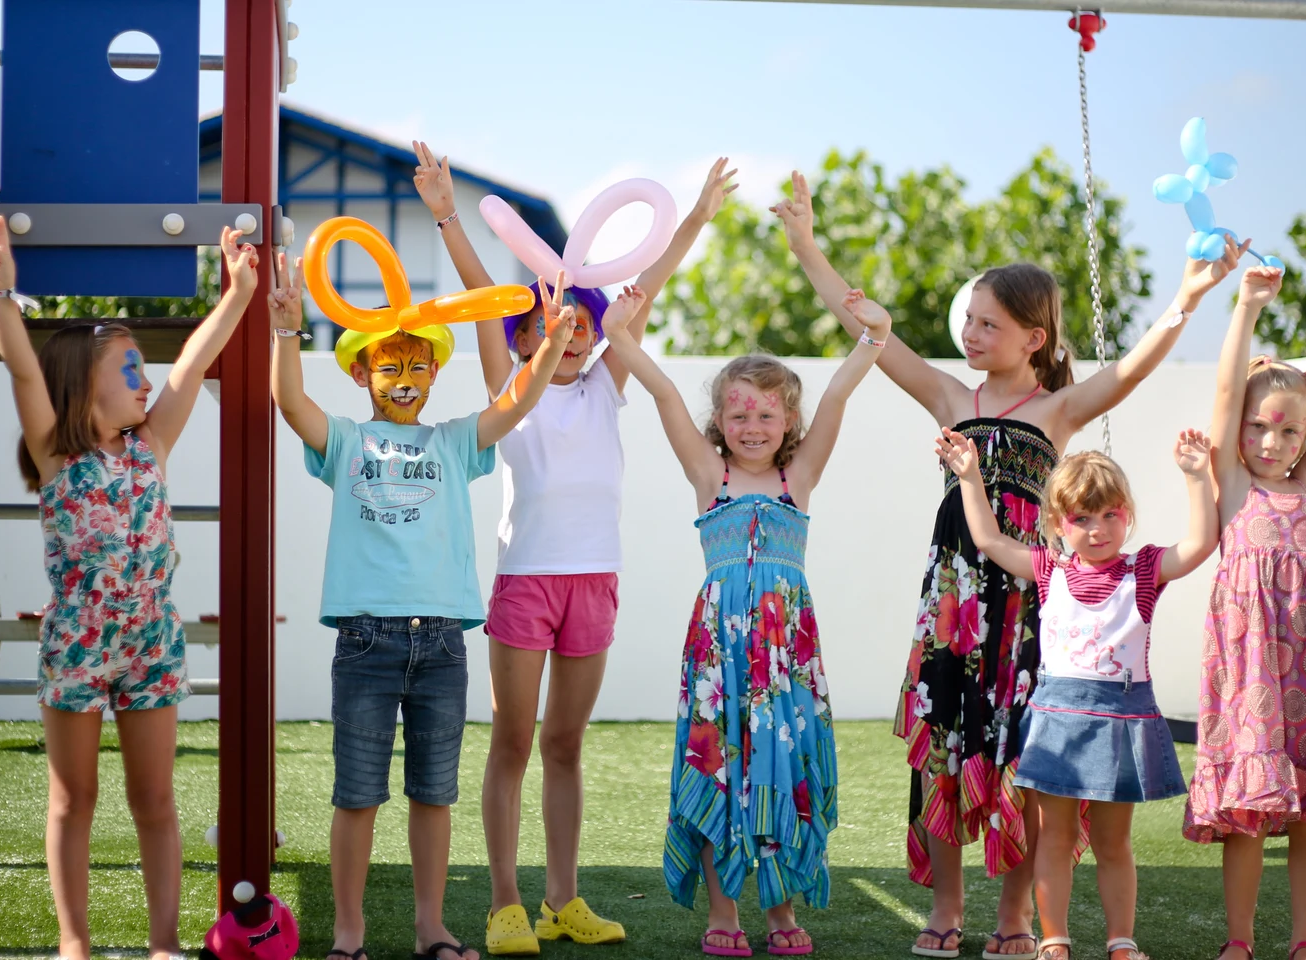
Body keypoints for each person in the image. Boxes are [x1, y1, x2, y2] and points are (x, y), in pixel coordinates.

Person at [770, 169, 1248, 959]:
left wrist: (1188, 297)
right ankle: (947, 910)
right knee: (948, 753)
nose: (972, 335)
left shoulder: (1058, 410)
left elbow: (1132, 367)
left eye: (990, 325)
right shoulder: (952, 399)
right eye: (971, 323)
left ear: (1035, 338)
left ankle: (1017, 916)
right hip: (955, 606)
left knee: (1026, 759)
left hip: (1034, 611)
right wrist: (807, 247)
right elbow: (874, 331)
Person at [409, 143, 738, 955]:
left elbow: (649, 285)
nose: (578, 335)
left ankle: (562, 900)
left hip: (595, 583)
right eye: (560, 324)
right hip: (527, 583)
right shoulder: (511, 387)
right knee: (514, 742)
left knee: (564, 745)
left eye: (587, 325)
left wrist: (694, 216)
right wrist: (449, 213)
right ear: (528, 332)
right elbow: (482, 296)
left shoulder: (605, 383)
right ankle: (505, 904)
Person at [268, 253, 577, 960]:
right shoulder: (346, 440)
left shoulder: (452, 441)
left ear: (435, 373)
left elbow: (517, 402)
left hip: (442, 643)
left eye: (416, 368)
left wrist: (553, 342)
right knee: (357, 794)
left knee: (434, 794)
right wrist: (287, 335)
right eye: (389, 367)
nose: (404, 380)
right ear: (360, 373)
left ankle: (430, 928)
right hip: (366, 643)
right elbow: (291, 404)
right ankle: (349, 936)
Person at [0, 212, 259, 960]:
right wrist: (4, 296)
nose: (144, 380)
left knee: (155, 801)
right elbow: (22, 369)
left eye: (142, 367)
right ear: (85, 386)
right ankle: (76, 942)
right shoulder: (54, 454)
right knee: (75, 798)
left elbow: (192, 367)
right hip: (78, 643)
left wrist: (234, 295)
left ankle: (163, 943)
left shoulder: (152, 445)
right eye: (129, 368)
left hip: (150, 641)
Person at [603, 277, 888, 956]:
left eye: (767, 415)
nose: (753, 428)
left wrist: (874, 336)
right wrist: (618, 334)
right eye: (739, 416)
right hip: (719, 656)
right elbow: (666, 394)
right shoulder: (711, 474)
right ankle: (724, 911)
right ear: (720, 423)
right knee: (719, 765)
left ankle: (782, 914)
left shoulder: (801, 475)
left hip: (784, 653)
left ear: (789, 421)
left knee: (781, 771)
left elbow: (842, 391)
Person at [937, 428, 1219, 960]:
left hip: (1121, 723)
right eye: (1081, 518)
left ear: (1127, 515)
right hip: (1057, 726)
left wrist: (1197, 477)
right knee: (1056, 842)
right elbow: (990, 542)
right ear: (1056, 524)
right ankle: (1054, 939)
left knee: (1114, 844)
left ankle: (1121, 942)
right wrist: (970, 476)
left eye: (1110, 514)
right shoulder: (1049, 568)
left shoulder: (1144, 569)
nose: (1097, 529)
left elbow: (1201, 544)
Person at [1185, 268, 1306, 960]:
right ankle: (1239, 940)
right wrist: (1245, 309)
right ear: (1240, 430)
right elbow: (1222, 389)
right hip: (1251, 670)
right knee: (1248, 811)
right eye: (1260, 428)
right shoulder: (1232, 484)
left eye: (1289, 431)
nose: (1273, 443)